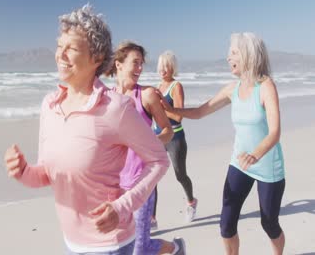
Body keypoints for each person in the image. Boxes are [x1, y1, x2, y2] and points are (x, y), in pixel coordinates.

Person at [4, 5, 175, 255]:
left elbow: (159, 161)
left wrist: (122, 207)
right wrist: (22, 172)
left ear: (96, 58)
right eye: (59, 46)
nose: (60, 55)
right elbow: (46, 175)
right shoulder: (49, 106)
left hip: (110, 245)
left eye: (71, 48)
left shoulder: (116, 108)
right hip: (71, 242)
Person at [160, 32, 285, 255]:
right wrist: (171, 110)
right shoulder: (231, 89)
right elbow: (200, 112)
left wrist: (255, 154)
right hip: (239, 163)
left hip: (268, 167)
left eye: (234, 53)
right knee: (226, 224)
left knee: (269, 223)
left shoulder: (266, 87)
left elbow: (275, 132)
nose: (228, 58)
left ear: (249, 55)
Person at [105, 41, 186, 255]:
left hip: (142, 181)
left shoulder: (147, 95)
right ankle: (175, 247)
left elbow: (168, 130)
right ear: (119, 64)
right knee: (121, 243)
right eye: (135, 63)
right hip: (115, 183)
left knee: (139, 249)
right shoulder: (108, 96)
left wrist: (149, 144)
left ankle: (175, 247)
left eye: (142, 63)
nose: (140, 68)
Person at [153, 51, 198, 224]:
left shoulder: (176, 86)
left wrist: (161, 109)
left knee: (180, 175)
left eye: (167, 66)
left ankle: (191, 202)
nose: (163, 70)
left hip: (174, 138)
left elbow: (179, 116)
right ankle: (152, 218)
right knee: (153, 176)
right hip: (158, 136)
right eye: (161, 66)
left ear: (173, 68)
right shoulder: (157, 87)